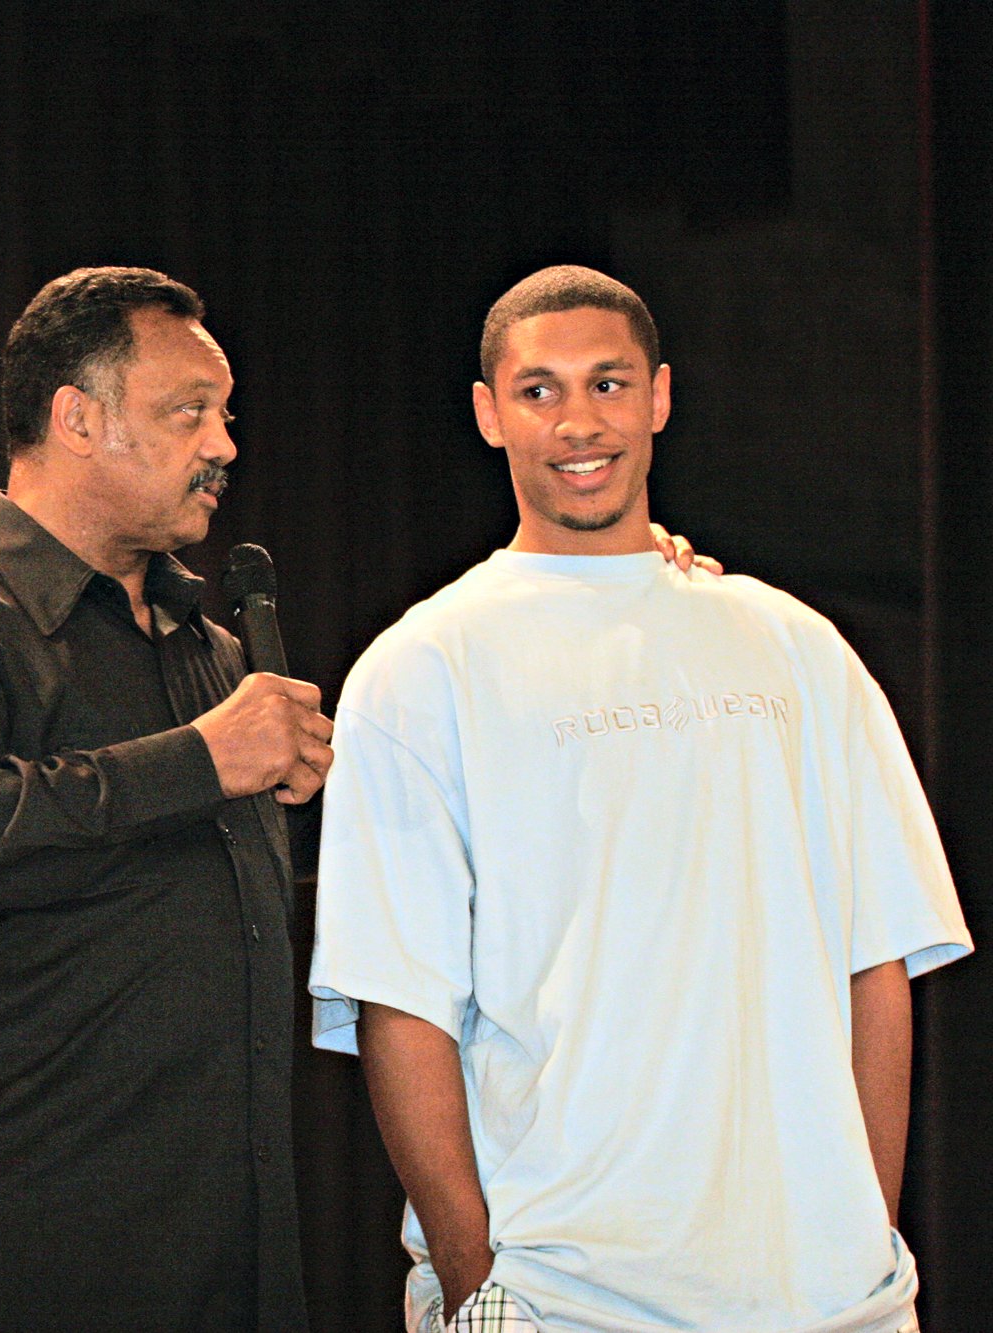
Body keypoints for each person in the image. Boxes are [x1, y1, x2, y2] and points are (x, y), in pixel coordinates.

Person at [310, 265, 972, 1333]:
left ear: (658, 396)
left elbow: (876, 959)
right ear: (487, 414)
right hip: (557, 1301)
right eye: (538, 390)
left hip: (827, 1301)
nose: (578, 420)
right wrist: (481, 1281)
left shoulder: (795, 646)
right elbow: (398, 1005)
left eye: (607, 383)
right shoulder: (420, 668)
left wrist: (861, 1233)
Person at [0, 266, 335, 1330]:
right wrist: (198, 761)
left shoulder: (209, 649)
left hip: (213, 1263)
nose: (223, 445)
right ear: (76, 417)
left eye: (225, 414)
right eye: (188, 412)